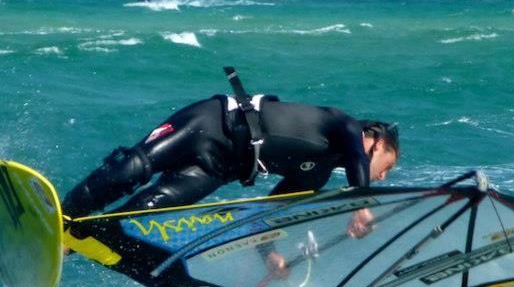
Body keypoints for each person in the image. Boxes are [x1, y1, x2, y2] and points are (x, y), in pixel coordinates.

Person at [61, 83, 399, 270]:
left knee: (147, 210)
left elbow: (268, 213)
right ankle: (64, 214)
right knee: (135, 167)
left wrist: (269, 256)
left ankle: (72, 241)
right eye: (387, 165)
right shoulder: (343, 124)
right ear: (378, 142)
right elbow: (356, 156)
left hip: (219, 168)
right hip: (213, 122)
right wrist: (361, 205)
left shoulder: (316, 175)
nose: (383, 177)